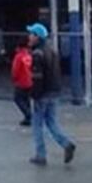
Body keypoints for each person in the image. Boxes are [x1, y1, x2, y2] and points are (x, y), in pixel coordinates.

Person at [27, 22, 76, 166]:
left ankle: (40, 155)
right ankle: (66, 143)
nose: (29, 37)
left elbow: (37, 78)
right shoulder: (52, 51)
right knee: (52, 122)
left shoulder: (37, 54)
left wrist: (34, 95)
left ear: (37, 37)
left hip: (42, 93)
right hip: (54, 92)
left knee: (37, 125)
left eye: (32, 34)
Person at [11, 37, 33, 126]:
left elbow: (15, 70)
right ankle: (27, 118)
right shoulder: (29, 55)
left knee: (18, 99)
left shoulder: (19, 56)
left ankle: (29, 115)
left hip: (21, 81)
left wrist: (14, 78)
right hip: (30, 80)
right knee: (26, 99)